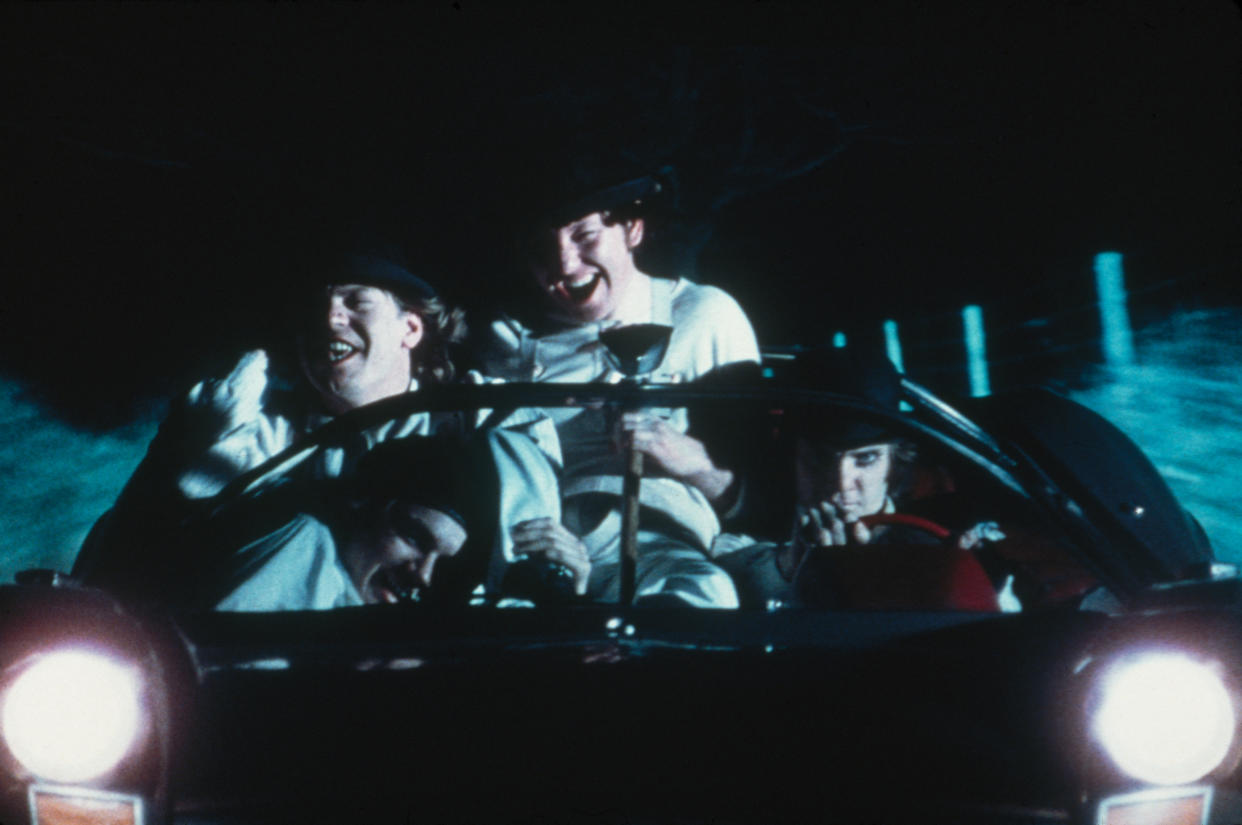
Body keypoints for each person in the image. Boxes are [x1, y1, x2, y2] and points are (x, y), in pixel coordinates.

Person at [75, 249, 467, 589]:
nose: (330, 319)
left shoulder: (469, 421)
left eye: (357, 302)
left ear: (411, 327)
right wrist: (186, 467)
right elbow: (132, 548)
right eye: (314, 307)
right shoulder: (254, 433)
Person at [475, 166, 760, 607]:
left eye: (584, 236)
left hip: (657, 546)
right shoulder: (501, 339)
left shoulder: (705, 317)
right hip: (530, 550)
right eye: (540, 247)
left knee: (704, 597)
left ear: (631, 229)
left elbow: (763, 503)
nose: (565, 264)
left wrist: (692, 462)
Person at [713, 347, 1012, 611]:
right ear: (792, 455)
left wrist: (971, 579)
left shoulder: (944, 539)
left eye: (865, 459)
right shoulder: (746, 541)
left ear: (894, 462)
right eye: (819, 458)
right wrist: (793, 566)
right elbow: (733, 582)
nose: (841, 484)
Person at [203, 436, 592, 611]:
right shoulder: (302, 542)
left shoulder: (408, 619)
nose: (422, 574)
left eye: (445, 563)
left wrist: (566, 603)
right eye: (414, 536)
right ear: (366, 505)